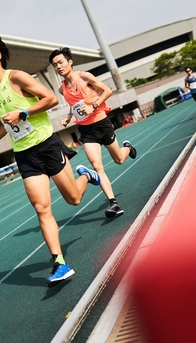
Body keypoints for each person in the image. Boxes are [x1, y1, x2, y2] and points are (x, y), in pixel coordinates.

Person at [0, 32, 101, 287]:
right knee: (41, 208)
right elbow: (2, 124)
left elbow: (50, 99)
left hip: (47, 145)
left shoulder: (17, 77)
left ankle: (86, 175)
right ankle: (60, 262)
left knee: (73, 199)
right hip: (25, 154)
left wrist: (23, 112)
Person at [50, 47, 137, 219]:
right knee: (97, 166)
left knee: (119, 159)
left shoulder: (84, 77)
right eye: (54, 65)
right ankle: (114, 203)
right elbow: (73, 105)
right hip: (86, 130)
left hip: (102, 123)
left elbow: (107, 91)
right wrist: (69, 117)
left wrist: (93, 106)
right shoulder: (62, 90)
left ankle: (128, 148)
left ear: (70, 62)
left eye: (60, 62)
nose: (58, 66)